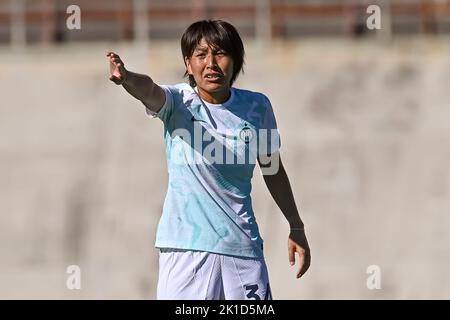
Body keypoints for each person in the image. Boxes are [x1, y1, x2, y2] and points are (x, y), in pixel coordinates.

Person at [107, 19, 310, 300]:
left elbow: (272, 169)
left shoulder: (257, 107)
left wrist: (295, 225)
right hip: (187, 249)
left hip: (242, 250)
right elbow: (150, 90)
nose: (211, 63)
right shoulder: (178, 102)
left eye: (221, 53)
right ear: (188, 64)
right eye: (201, 55)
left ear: (236, 61)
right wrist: (127, 77)